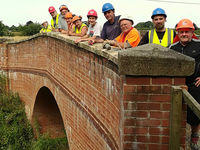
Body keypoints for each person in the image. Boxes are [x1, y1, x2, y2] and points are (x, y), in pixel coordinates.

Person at [169, 18, 200, 149]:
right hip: (177, 84)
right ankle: (178, 138)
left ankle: (194, 136)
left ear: (192, 32)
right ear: (178, 33)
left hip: (195, 84)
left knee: (195, 115)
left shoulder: (199, 45)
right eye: (181, 32)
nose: (184, 34)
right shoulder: (172, 47)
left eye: (187, 32)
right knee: (176, 113)